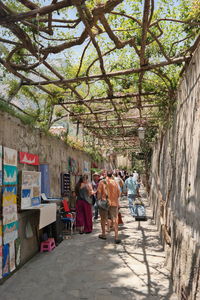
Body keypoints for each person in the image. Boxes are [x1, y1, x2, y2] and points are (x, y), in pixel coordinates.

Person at [97, 170, 121, 244]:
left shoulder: (102, 182)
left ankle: (104, 234)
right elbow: (119, 194)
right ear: (112, 175)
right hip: (113, 203)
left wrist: (98, 200)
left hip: (104, 203)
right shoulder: (115, 183)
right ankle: (116, 236)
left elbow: (99, 193)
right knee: (115, 219)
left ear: (106, 175)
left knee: (103, 219)